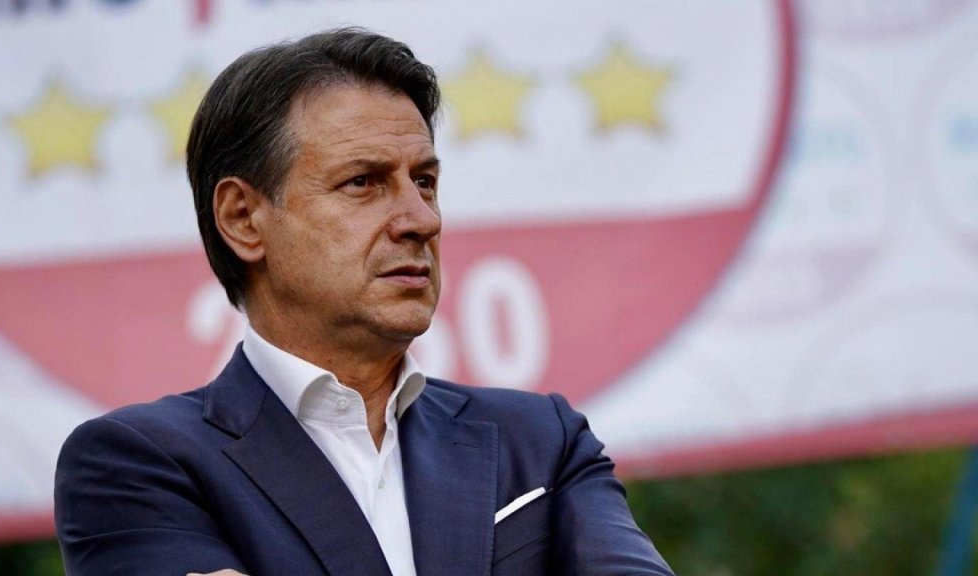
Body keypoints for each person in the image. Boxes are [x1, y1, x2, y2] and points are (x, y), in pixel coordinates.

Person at [54, 28, 674, 576]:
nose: (421, 219)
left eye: (424, 181)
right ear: (243, 218)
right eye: (363, 182)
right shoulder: (137, 463)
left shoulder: (540, 441)